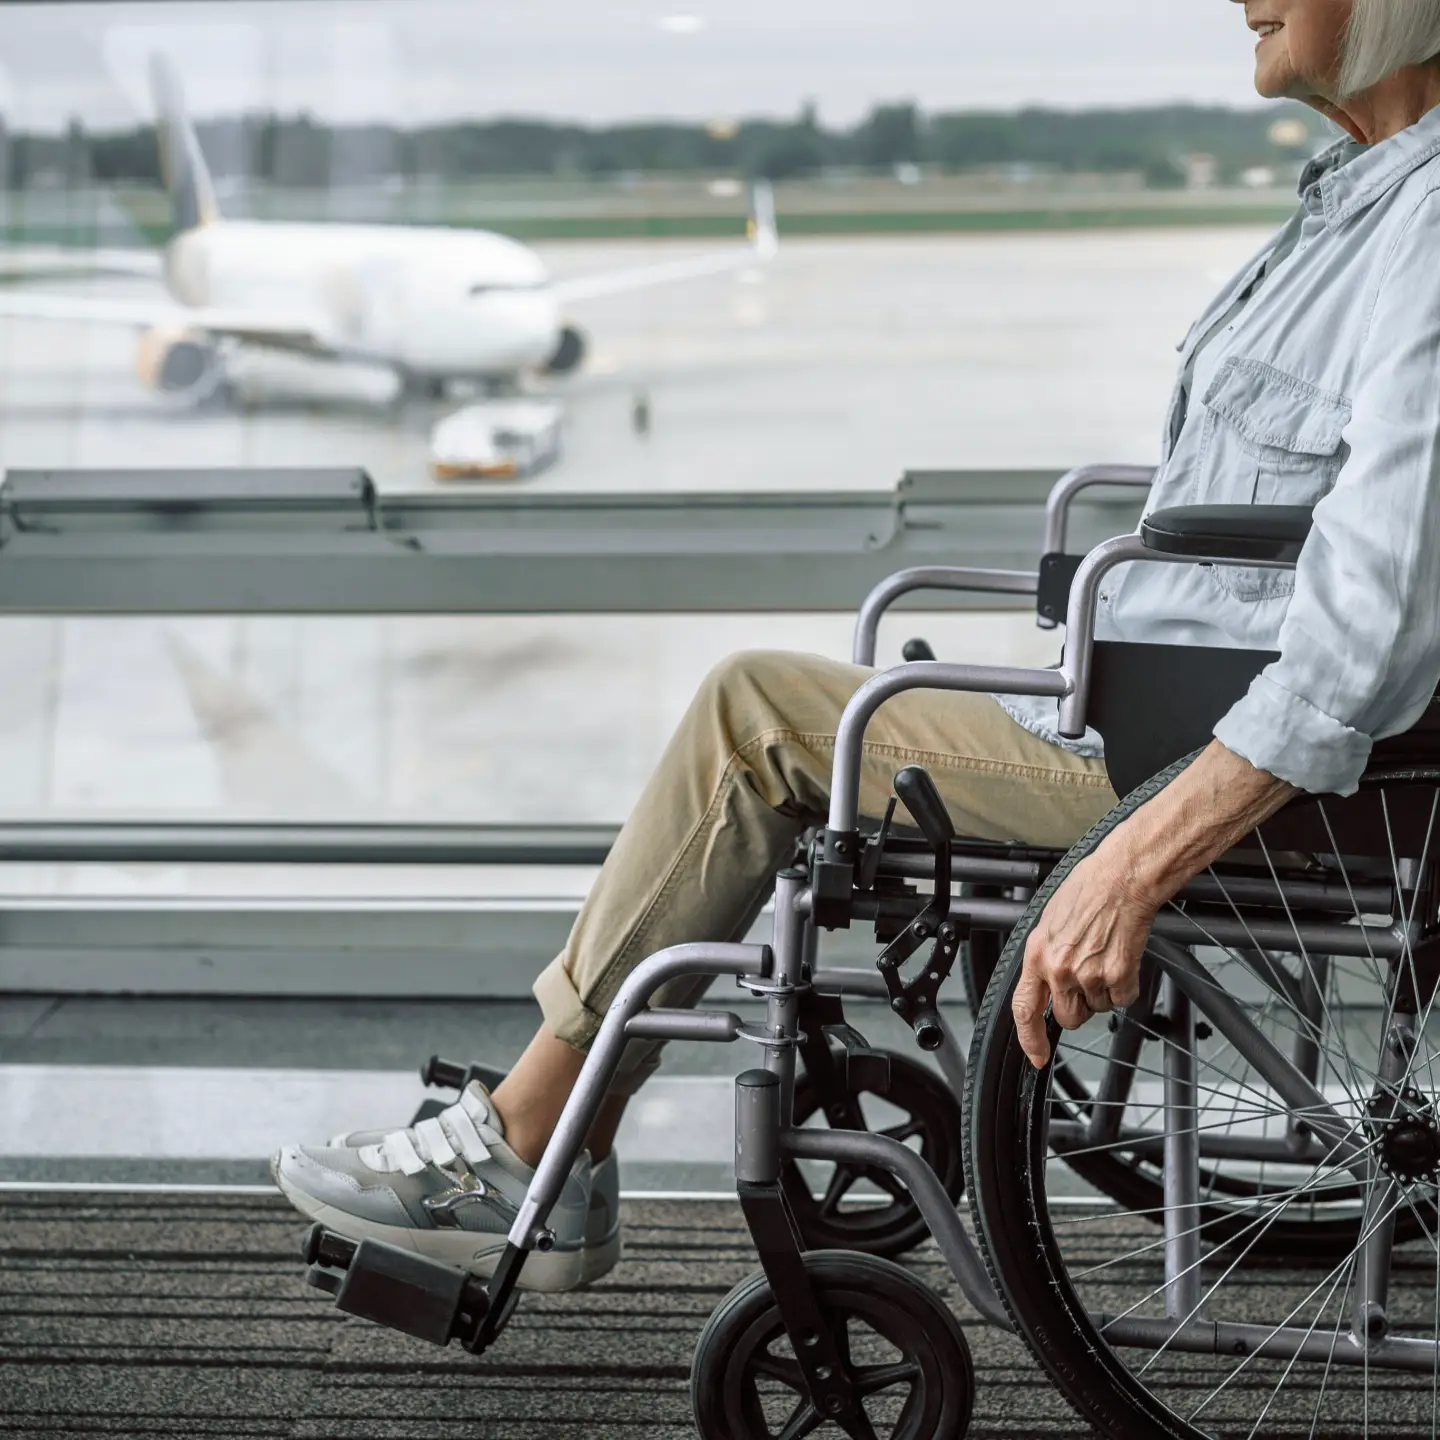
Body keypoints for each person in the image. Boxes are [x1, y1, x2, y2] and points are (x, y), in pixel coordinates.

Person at [273, 0, 1440, 1292]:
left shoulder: (1428, 226)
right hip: (1147, 717)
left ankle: (534, 1138)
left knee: (758, 716)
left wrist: (1132, 862)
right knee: (820, 705)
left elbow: (1372, 623)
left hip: (1182, 763)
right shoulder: (1363, 204)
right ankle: (551, 1127)